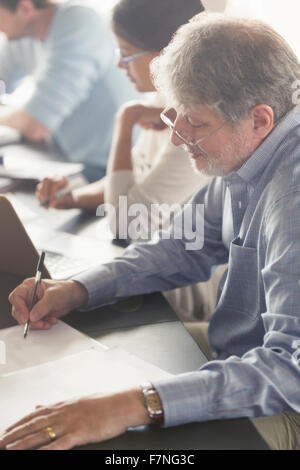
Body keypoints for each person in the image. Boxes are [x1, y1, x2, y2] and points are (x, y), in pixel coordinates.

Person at [3, 13, 300, 451]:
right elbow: (182, 247)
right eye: (174, 115)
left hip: (285, 403)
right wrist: (77, 289)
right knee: (83, 372)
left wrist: (134, 404)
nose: (178, 138)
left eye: (195, 123)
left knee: (107, 444)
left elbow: (289, 371)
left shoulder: (291, 198)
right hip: (238, 355)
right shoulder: (246, 156)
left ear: (259, 118)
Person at [36, 0, 224, 322]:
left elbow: (126, 219)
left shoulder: (195, 127)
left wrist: (125, 121)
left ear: (167, 54)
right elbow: (136, 177)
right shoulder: (162, 102)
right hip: (148, 263)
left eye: (127, 53)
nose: (121, 65)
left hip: (180, 297)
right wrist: (73, 198)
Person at [0, 0, 138, 181]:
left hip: (107, 167)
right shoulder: (21, 35)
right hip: (66, 156)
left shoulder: (79, 25)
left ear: (25, 8)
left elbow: (36, 125)